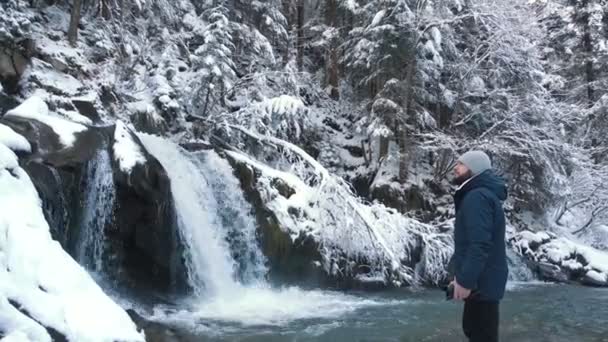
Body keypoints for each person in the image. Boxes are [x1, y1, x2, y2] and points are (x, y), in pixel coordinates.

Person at [448, 150, 509, 342]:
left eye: (461, 164)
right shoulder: (480, 195)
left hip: (481, 283)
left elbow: (480, 244)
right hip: (484, 281)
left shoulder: (477, 197)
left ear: (475, 169)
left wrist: (465, 280)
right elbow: (468, 242)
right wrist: (456, 274)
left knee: (481, 335)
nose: (455, 168)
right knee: (476, 332)